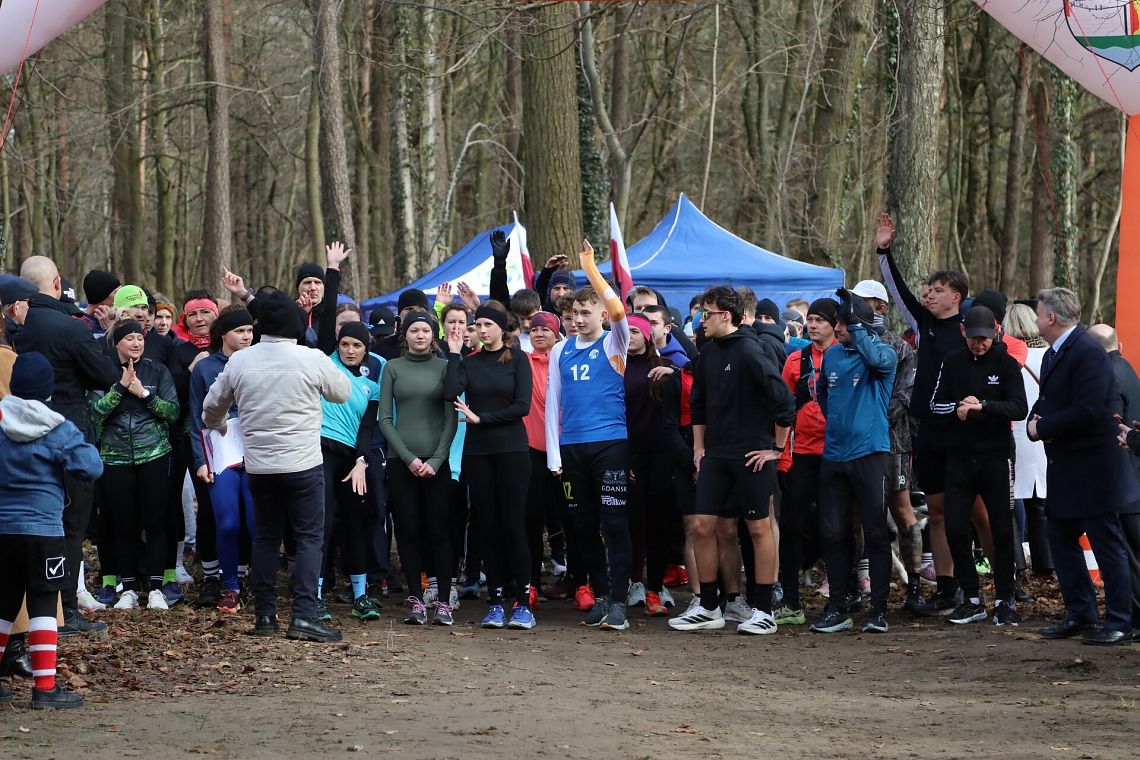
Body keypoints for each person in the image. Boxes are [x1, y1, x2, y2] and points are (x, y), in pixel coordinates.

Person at [202, 290, 351, 642]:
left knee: (267, 538)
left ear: (260, 325)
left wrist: (220, 423)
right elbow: (342, 392)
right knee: (309, 538)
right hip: (303, 464)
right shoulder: (311, 358)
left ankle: (265, 616)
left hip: (260, 467)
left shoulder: (240, 361)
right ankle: (305, 616)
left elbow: (210, 409)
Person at [668, 285, 795, 635]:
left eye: (706, 313)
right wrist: (698, 448)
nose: (700, 319)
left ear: (725, 315)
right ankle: (709, 606)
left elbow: (785, 402)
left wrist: (777, 449)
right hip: (716, 455)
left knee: (758, 528)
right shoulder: (708, 352)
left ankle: (764, 610)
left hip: (752, 455)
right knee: (701, 526)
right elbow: (698, 404)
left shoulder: (752, 351)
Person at [10, 260, 119, 636]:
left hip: (13, 432)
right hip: (65, 431)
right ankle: (65, 609)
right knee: (70, 525)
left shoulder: (14, 327)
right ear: (57, 283)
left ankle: (24, 615)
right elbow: (106, 376)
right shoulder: (68, 328)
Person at [875, 213, 970, 615]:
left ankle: (994, 588)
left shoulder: (969, 330)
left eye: (938, 290)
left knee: (971, 513)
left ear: (957, 296)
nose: (928, 295)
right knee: (938, 510)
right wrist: (884, 251)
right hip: (926, 430)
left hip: (962, 431)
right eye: (928, 290)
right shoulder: (925, 322)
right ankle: (946, 587)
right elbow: (898, 292)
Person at [1030, 288, 1136, 646]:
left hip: (1095, 469)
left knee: (1107, 545)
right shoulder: (1054, 353)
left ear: (1051, 318)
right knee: (1060, 538)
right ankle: (1081, 613)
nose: (1036, 319)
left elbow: (1089, 410)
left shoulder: (1088, 352)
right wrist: (1034, 421)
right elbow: (1047, 400)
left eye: (1038, 313)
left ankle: (1120, 621)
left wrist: (1042, 427)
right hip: (1067, 467)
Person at [0, 352, 103, 709]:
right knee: (43, 602)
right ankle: (45, 688)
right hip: (43, 529)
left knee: (3, 604)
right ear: (48, 389)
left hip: (3, 528)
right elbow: (91, 467)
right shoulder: (58, 428)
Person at [545, 240, 634, 631]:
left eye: (585, 312)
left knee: (614, 524)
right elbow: (553, 403)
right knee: (582, 527)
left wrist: (591, 269)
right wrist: (554, 454)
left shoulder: (615, 341)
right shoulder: (560, 350)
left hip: (610, 444)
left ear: (600, 314)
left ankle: (619, 601)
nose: (578, 319)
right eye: (574, 314)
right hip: (572, 448)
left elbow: (619, 311)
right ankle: (600, 595)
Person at [929, 305, 1027, 625]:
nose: (979, 344)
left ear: (995, 332)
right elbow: (935, 404)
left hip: (996, 457)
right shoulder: (953, 361)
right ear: (963, 332)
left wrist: (983, 406)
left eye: (984, 338)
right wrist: (960, 406)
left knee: (1001, 528)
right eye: (973, 338)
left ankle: (1005, 597)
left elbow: (1019, 408)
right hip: (959, 458)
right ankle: (971, 597)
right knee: (956, 528)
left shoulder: (1006, 363)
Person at [809, 289, 896, 635]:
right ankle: (837, 607)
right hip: (834, 456)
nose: (837, 328)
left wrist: (858, 327)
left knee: (875, 532)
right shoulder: (832, 355)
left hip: (870, 454)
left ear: (858, 324)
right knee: (832, 533)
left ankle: (878, 611)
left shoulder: (884, 352)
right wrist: (838, 421)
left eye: (843, 323)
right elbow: (823, 394)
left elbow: (874, 361)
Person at [446, 301, 535, 629]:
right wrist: (454, 353)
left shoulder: (518, 359)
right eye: (478, 325)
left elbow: (522, 406)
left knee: (513, 525)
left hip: (512, 451)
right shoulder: (469, 361)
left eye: (488, 325)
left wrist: (482, 419)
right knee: (487, 526)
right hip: (478, 454)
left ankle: (523, 603)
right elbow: (449, 392)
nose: (482, 330)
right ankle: (495, 601)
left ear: (501, 328)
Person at [89, 318, 181, 610]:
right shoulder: (102, 372)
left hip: (154, 454)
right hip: (114, 458)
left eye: (140, 338)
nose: (137, 343)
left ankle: (156, 589)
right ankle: (128, 588)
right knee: (123, 524)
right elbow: (94, 413)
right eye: (129, 338)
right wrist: (120, 388)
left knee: (155, 522)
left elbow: (173, 412)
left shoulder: (157, 371)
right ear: (117, 342)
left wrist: (143, 393)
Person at [379, 312, 459, 625]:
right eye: (414, 330)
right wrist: (409, 458)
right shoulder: (392, 367)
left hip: (437, 463)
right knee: (408, 529)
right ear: (405, 335)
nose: (420, 335)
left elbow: (451, 419)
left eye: (426, 330)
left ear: (433, 335)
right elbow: (385, 419)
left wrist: (436, 460)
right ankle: (415, 599)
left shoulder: (444, 367)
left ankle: (443, 602)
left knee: (439, 530)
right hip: (402, 462)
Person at [850, 279, 923, 610]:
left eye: (863, 301)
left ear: (880, 306)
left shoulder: (900, 347)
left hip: (892, 443)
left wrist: (873, 420)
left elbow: (904, 397)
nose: (856, 307)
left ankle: (915, 586)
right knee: (854, 515)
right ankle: (852, 584)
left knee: (902, 511)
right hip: (853, 445)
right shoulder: (848, 342)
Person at [188, 306, 256, 613]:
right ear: (223, 334)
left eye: (250, 331)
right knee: (227, 523)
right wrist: (200, 460)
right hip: (219, 450)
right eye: (239, 331)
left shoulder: (259, 363)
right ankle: (229, 587)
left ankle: (256, 581)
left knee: (255, 524)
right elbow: (195, 418)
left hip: (256, 450)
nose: (246, 336)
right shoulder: (205, 368)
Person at [775, 297, 838, 625]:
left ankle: (840, 598)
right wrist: (782, 456)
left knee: (835, 527)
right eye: (810, 319)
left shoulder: (845, 355)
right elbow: (783, 412)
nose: (812, 325)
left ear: (835, 325)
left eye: (820, 320)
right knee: (790, 525)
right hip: (801, 455)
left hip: (837, 456)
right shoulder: (795, 361)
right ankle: (790, 600)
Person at [317, 321, 383, 623]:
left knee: (356, 523)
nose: (350, 350)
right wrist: (326, 287)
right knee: (323, 523)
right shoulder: (326, 364)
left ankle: (360, 596)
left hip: (353, 460)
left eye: (357, 345)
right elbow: (326, 322)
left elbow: (367, 429)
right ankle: (315, 596)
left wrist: (361, 461)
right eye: (345, 344)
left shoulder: (372, 387)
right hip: (320, 452)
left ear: (366, 350)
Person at [623, 313, 678, 616]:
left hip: (661, 454)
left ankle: (655, 586)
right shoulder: (615, 365)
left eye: (635, 330)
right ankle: (634, 581)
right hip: (628, 452)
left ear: (647, 335)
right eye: (626, 330)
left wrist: (674, 374)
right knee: (632, 523)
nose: (630, 335)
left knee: (659, 522)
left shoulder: (665, 366)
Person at [1088, 324, 1140, 637]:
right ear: (1117, 344)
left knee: (1127, 555)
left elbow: (1113, 428)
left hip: (1124, 480)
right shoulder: (1128, 370)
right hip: (1133, 477)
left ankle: (1132, 620)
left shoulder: (1109, 377)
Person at [1004, 304, 1051, 574]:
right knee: (1039, 502)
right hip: (1042, 433)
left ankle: (1017, 564)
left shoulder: (1008, 358)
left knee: (1010, 501)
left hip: (1014, 433)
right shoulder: (1050, 355)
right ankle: (1046, 563)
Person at [78, 269, 120, 337]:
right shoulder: (78, 324)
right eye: (116, 293)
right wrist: (108, 331)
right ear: (101, 296)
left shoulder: (120, 319)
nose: (121, 296)